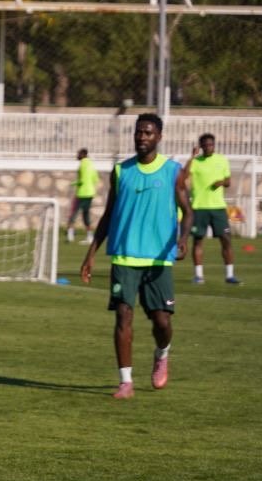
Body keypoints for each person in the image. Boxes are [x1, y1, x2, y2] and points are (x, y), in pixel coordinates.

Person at [80, 113, 192, 399]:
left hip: (157, 259)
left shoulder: (173, 172)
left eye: (148, 132)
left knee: (162, 323)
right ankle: (125, 382)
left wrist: (181, 239)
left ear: (159, 137)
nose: (142, 137)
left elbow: (188, 212)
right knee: (122, 316)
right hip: (124, 256)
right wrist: (91, 253)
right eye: (139, 132)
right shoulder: (121, 171)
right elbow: (108, 214)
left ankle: (162, 353)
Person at [186, 133, 238, 285]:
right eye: (206, 145)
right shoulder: (195, 162)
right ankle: (198, 276)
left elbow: (228, 181)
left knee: (226, 240)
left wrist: (221, 182)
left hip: (218, 208)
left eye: (211, 144)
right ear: (201, 146)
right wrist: (191, 157)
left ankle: (229, 275)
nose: (209, 147)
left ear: (214, 145)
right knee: (198, 241)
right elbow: (184, 175)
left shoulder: (222, 160)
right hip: (199, 207)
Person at [67, 147, 97, 242]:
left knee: (74, 213)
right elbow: (95, 178)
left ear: (83, 154)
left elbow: (82, 180)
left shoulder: (83, 164)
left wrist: (73, 183)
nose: (77, 156)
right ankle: (89, 236)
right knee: (86, 214)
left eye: (78, 154)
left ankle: (70, 235)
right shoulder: (91, 164)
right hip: (90, 193)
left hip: (82, 193)